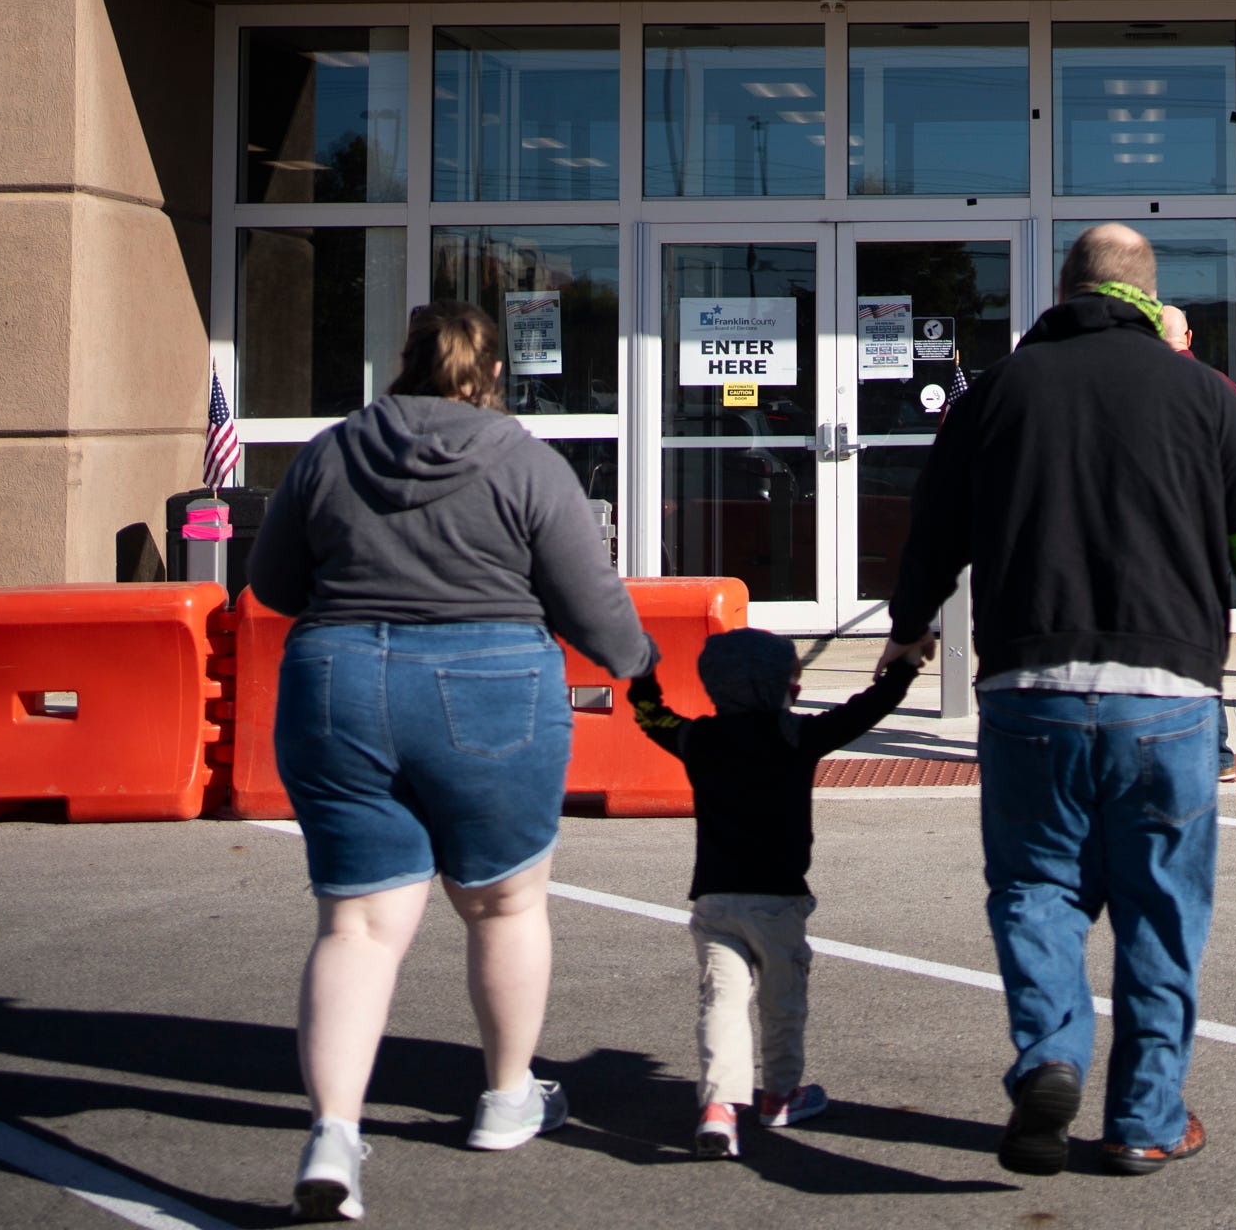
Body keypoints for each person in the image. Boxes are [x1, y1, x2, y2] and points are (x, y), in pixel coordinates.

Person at [879, 223, 1236, 1179]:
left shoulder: (998, 392)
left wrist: (910, 625)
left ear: (1065, 289)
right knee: (1160, 910)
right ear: (1149, 292)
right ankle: (1144, 1119)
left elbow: (933, 525)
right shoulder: (1207, 398)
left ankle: (1050, 1056)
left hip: (1028, 690)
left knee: (1037, 890)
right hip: (1168, 693)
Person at [250, 301, 655, 1224]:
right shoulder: (523, 460)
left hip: (337, 684)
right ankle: (508, 1098)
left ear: (403, 366)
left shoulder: (330, 451)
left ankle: (335, 1135)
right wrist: (642, 666)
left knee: (354, 925)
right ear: (494, 376)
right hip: (491, 686)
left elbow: (273, 585)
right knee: (504, 903)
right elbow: (592, 607)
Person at [627, 629, 919, 1160]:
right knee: (782, 1002)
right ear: (789, 686)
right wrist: (902, 667)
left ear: (714, 687)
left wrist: (642, 672)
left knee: (721, 1000)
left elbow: (649, 715)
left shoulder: (698, 738)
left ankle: (718, 1109)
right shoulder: (795, 735)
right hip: (778, 900)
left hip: (715, 900)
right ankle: (780, 1094)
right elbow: (867, 709)